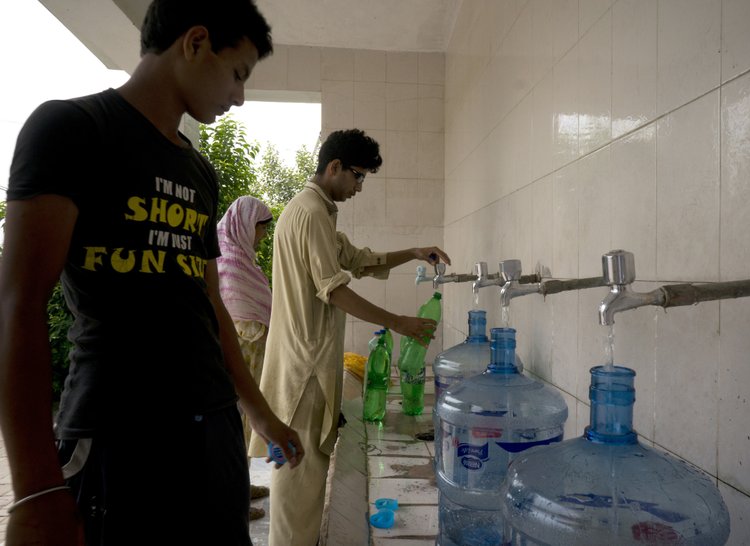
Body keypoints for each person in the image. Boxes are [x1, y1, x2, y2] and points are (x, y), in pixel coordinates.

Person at [0, 1, 304, 545]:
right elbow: (17, 306)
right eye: (238, 73)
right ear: (195, 42)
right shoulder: (72, 130)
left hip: (211, 431)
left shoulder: (200, 171)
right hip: (117, 435)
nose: (239, 95)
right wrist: (36, 490)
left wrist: (259, 415)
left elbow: (209, 305)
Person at [249, 128, 450, 545]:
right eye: (357, 176)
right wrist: (399, 322)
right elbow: (335, 290)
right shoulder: (310, 213)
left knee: (304, 486)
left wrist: (413, 252)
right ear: (334, 166)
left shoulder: (317, 212)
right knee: (298, 490)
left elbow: (358, 260)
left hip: (306, 365)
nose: (359, 187)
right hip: (304, 371)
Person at [216, 195, 274, 520]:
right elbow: (235, 313)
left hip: (251, 352)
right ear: (246, 225)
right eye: (261, 229)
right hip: (238, 354)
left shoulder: (242, 258)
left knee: (247, 424)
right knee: (235, 424)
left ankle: (242, 485)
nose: (262, 236)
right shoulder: (227, 260)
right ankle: (232, 502)